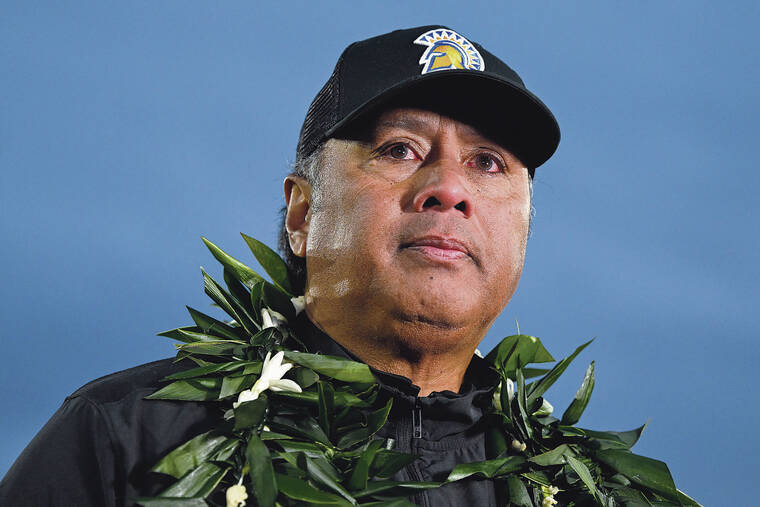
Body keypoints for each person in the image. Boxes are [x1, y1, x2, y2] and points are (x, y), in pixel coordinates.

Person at [0, 25, 560, 506]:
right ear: (302, 214)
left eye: (487, 162)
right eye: (400, 149)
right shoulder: (122, 441)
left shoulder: (582, 489)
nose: (448, 188)